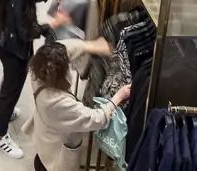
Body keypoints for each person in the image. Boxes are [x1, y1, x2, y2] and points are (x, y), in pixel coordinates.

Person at [0, 0, 64, 157]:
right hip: (13, 50)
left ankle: (7, 111)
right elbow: (29, 31)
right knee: (11, 88)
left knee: (11, 84)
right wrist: (52, 25)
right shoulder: (17, 10)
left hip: (4, 42)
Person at [27, 40, 129, 171]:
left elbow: (62, 48)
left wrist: (90, 46)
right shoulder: (57, 103)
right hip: (56, 157)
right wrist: (117, 97)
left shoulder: (38, 72)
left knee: (42, 158)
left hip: (45, 138)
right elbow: (97, 118)